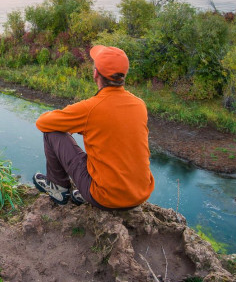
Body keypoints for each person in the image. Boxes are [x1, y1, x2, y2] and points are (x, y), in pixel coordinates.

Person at [33, 45, 154, 209]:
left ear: (95, 73)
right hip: (140, 195)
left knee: (51, 133)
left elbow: (42, 122)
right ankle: (86, 191)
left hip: (106, 198)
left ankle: (59, 189)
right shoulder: (139, 105)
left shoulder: (91, 108)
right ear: (123, 75)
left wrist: (68, 119)